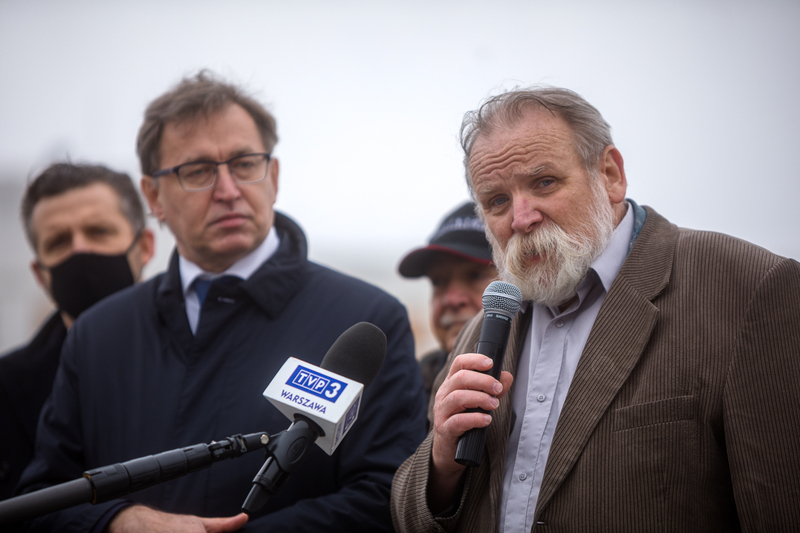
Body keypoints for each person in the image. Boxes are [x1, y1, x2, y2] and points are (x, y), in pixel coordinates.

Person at [17, 72, 427, 532]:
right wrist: (119, 523)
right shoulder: (97, 334)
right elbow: (39, 502)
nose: (228, 190)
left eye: (245, 164)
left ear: (273, 176)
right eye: (197, 171)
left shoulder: (366, 321)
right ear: (153, 196)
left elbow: (388, 498)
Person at [391, 87, 800, 532]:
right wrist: (442, 465)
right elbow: (409, 520)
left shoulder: (746, 287)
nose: (522, 218)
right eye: (498, 201)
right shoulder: (485, 329)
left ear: (610, 175)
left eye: (544, 183)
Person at [0, 163, 154, 500]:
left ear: (144, 246)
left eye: (98, 231)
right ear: (40, 274)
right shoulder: (7, 390)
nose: (80, 250)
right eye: (59, 241)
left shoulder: (202, 351)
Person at [398, 201, 496, 404]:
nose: (451, 299)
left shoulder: (544, 384)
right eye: (438, 281)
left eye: (475, 276)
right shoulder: (405, 392)